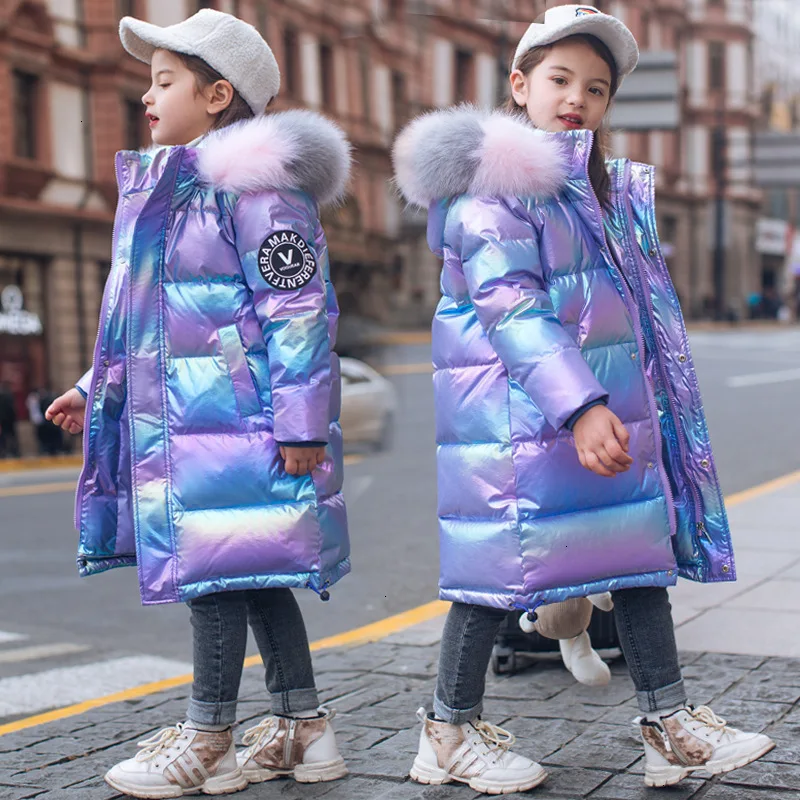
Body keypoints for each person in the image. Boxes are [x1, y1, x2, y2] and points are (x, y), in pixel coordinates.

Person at [393, 5, 774, 794]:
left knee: (637, 557)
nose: (577, 98)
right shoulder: (494, 190)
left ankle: (668, 724)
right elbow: (512, 306)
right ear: (520, 85)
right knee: (493, 574)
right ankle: (448, 732)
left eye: (596, 88)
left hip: (593, 414)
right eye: (560, 79)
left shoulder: (587, 190)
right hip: (518, 422)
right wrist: (581, 405)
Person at [45, 9, 352, 798]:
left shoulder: (259, 191)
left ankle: (210, 737)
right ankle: (304, 726)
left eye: (164, 81)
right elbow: (140, 322)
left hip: (238, 425)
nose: (147, 96)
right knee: (253, 574)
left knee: (211, 575)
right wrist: (93, 387)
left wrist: (301, 424)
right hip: (198, 422)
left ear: (217, 96)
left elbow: (298, 311)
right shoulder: (166, 194)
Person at [0, 381, 19, 458]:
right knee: (11, 436)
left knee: (4, 437)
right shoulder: (8, 396)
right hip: (9, 420)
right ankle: (13, 452)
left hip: (4, 420)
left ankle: (5, 452)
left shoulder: (5, 396)